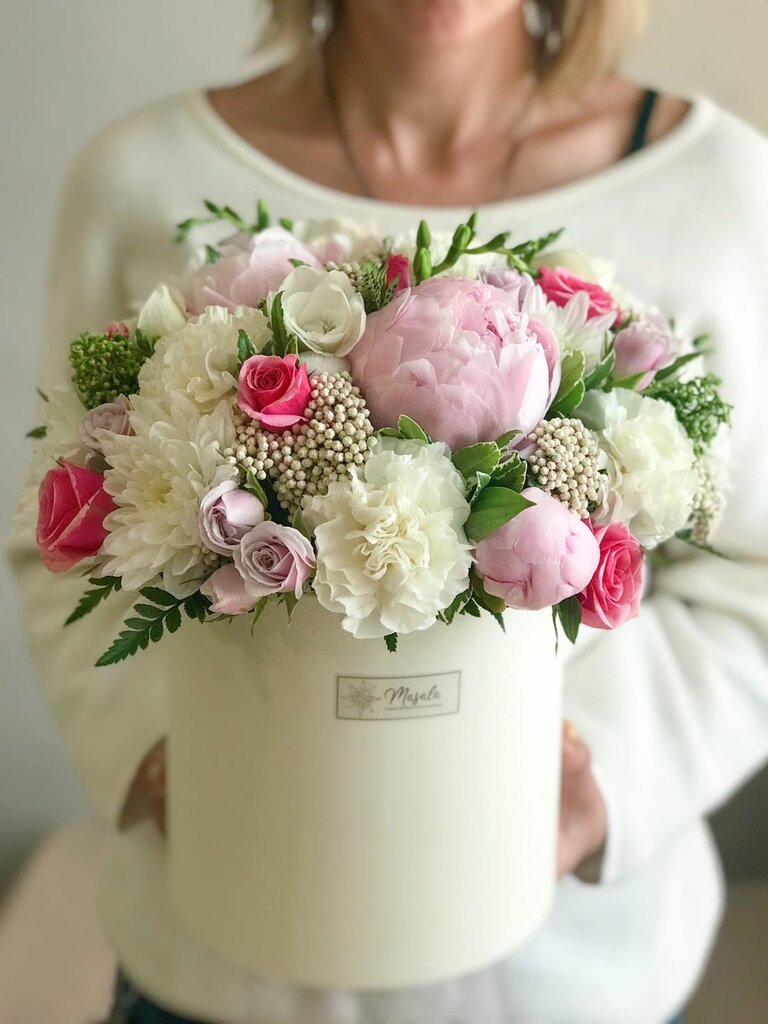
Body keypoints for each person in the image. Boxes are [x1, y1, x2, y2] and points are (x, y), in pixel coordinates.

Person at [8, 1, 768, 1022]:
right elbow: (59, 532)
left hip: (572, 981)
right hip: (218, 963)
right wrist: (156, 751)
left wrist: (601, 779)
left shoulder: (720, 188)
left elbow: (755, 573)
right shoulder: (141, 175)